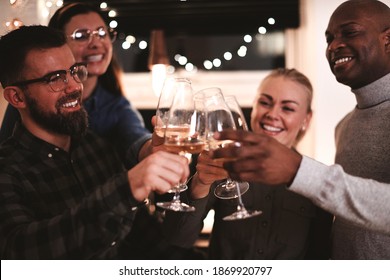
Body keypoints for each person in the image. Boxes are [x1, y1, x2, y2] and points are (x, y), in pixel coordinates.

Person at [210, 0, 390, 259]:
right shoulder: (345, 126)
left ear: (388, 39)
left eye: (350, 32)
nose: (334, 45)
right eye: (329, 38)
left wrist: (298, 171)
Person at [0, 25, 190, 259]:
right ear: (17, 97)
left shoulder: (98, 148)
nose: (74, 86)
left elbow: (150, 243)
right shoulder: (7, 170)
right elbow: (20, 251)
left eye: (73, 71)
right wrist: (126, 188)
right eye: (56, 79)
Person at [164, 68, 333, 259]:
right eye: (265, 102)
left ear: (306, 119)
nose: (272, 114)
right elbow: (177, 240)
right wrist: (200, 184)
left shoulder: (318, 181)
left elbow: (321, 259)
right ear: (253, 106)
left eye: (287, 108)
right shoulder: (222, 165)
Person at [0, 2, 153, 168]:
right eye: (81, 35)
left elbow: (135, 138)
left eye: (102, 33)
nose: (96, 43)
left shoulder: (115, 107)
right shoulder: (29, 98)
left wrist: (153, 147)